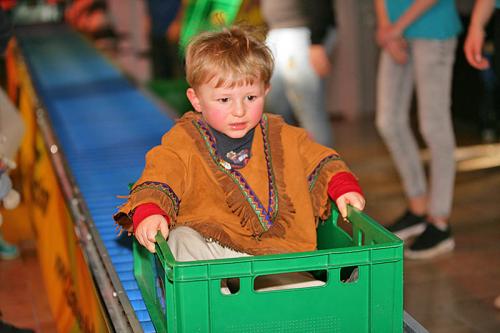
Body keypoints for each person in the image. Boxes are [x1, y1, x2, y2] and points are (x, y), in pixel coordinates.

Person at [113, 26, 365, 273]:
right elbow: (160, 173)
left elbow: (320, 159)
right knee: (179, 239)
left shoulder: (282, 134)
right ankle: (222, 301)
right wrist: (150, 211)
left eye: (251, 98)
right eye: (224, 99)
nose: (239, 110)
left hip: (278, 256)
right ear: (196, 99)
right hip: (215, 254)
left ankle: (293, 294)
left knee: (299, 289)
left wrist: (342, 186)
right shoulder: (184, 140)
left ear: (266, 90)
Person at [374, 0, 462, 259]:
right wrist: (385, 27)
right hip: (395, 31)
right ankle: (418, 208)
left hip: (433, 28)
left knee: (433, 125)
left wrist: (395, 27)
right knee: (388, 121)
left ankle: (439, 220)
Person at [261, 0, 336, 147]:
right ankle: (291, 162)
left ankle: (323, 167)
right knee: (274, 108)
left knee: (309, 110)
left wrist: (317, 41)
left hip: (301, 33)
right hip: (276, 31)